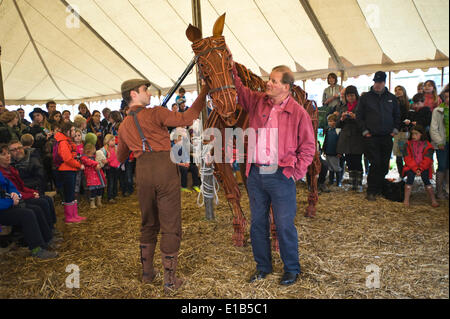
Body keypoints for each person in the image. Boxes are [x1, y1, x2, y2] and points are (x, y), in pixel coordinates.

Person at [117, 78, 208, 292]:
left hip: (142, 171)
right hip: (163, 168)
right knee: (170, 223)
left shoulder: (123, 124)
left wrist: (136, 140)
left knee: (148, 222)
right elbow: (188, 117)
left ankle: (147, 273)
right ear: (133, 94)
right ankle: (170, 280)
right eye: (144, 91)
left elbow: (120, 157)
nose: (148, 94)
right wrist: (204, 92)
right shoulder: (155, 112)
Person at [231, 62, 315, 286]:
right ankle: (263, 267)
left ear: (286, 87)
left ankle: (292, 269)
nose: (268, 83)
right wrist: (229, 65)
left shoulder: (298, 113)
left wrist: (295, 173)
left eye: (274, 81)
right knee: (258, 223)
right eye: (269, 79)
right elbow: (239, 90)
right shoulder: (258, 101)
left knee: (284, 224)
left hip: (281, 175)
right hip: (256, 173)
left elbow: (308, 147)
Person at [356, 71, 400, 201]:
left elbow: (397, 115)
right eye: (376, 82)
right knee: (375, 163)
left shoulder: (392, 98)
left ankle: (380, 188)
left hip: (387, 136)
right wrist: (364, 131)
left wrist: (395, 129)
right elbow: (359, 116)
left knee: (384, 163)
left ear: (384, 82)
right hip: (371, 136)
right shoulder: (365, 98)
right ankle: (371, 190)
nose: (377, 85)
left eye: (380, 82)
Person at [0, 171, 58, 259]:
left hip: (7, 204)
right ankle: (36, 249)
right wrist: (10, 202)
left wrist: (14, 193)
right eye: (3, 155)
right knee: (27, 214)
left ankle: (46, 240)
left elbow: (9, 185)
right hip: (3, 207)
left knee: (34, 210)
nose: (8, 156)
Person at [54, 122, 86, 223]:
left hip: (70, 169)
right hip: (66, 170)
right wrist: (78, 165)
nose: (73, 132)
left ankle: (74, 214)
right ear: (67, 131)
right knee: (69, 193)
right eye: (72, 130)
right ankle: (69, 216)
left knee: (71, 193)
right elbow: (67, 158)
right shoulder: (63, 142)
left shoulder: (67, 141)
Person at [336, 85, 365, 192]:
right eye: (348, 96)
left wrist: (355, 117)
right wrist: (342, 118)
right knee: (349, 161)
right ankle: (352, 184)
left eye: (352, 95)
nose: (350, 98)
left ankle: (359, 185)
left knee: (357, 160)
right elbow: (338, 124)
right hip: (346, 138)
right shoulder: (343, 107)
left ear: (356, 95)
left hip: (357, 137)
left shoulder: (361, 107)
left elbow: (364, 122)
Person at [402, 125, 439, 208]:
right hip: (412, 167)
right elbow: (407, 158)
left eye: (416, 134)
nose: (413, 136)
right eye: (412, 134)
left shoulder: (428, 146)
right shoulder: (407, 145)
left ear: (421, 134)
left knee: (426, 180)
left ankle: (433, 200)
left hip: (423, 167)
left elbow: (428, 159)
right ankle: (406, 200)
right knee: (410, 179)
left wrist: (420, 168)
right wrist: (415, 169)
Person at [430, 86, 449, 199]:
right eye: (446, 97)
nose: (448, 99)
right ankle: (439, 191)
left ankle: (447, 189)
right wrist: (439, 142)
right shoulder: (438, 111)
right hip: (442, 144)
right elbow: (433, 128)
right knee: (442, 165)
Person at [393, 85, 411, 178]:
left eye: (399, 89)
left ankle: (407, 174)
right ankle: (401, 175)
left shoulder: (409, 102)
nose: (398, 91)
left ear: (403, 90)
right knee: (398, 156)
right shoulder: (394, 103)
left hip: (406, 132)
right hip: (398, 132)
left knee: (406, 155)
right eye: (396, 90)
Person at [80, 143, 106, 209]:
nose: (93, 154)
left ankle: (99, 201)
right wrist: (96, 164)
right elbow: (88, 162)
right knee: (93, 190)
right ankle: (92, 203)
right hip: (91, 176)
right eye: (92, 153)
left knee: (99, 188)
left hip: (97, 175)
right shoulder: (84, 158)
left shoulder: (94, 157)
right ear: (88, 152)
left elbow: (98, 160)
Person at [323, 114, 343, 187]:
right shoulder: (328, 130)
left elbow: (340, 142)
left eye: (331, 121)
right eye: (329, 121)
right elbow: (326, 141)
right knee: (330, 167)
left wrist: (340, 152)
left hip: (335, 152)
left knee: (336, 167)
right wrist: (324, 150)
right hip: (328, 151)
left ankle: (339, 182)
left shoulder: (338, 130)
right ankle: (331, 181)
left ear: (335, 122)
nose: (330, 123)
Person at [101, 134, 120, 203]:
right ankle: (110, 197)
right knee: (111, 182)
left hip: (116, 167)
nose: (114, 142)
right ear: (107, 141)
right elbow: (108, 158)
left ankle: (115, 194)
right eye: (112, 140)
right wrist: (106, 161)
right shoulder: (105, 149)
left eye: (114, 140)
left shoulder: (116, 148)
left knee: (115, 181)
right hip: (109, 168)